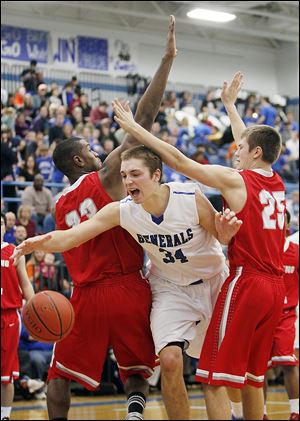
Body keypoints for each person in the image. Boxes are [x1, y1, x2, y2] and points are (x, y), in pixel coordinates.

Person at [13, 16, 177, 421]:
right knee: (136, 369)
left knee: (58, 376)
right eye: (89, 148)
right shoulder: (106, 177)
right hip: (125, 288)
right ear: (77, 160)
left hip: (83, 296)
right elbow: (145, 117)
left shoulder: (58, 205)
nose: (97, 151)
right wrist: (167, 60)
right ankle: (136, 414)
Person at [12, 145, 242, 420]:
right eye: (123, 176)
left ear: (156, 175)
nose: (128, 182)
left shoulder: (188, 195)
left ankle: (243, 412)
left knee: (224, 371)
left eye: (135, 174)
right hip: (169, 287)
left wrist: (225, 234)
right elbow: (73, 236)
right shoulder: (123, 210)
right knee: (169, 361)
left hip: (212, 280)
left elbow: (222, 236)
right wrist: (39, 241)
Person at [110, 71, 287, 420]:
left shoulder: (237, 179)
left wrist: (136, 130)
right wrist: (230, 106)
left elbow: (178, 162)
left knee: (212, 375)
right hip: (276, 288)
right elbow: (249, 141)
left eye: (240, 149)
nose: (234, 151)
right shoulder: (276, 180)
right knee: (252, 378)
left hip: (246, 281)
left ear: (254, 152)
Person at [263, 209, 299, 421]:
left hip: (286, 315)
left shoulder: (295, 251)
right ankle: (261, 412)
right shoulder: (261, 249)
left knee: (289, 363)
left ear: (286, 225)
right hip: (262, 315)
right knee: (257, 368)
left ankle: (296, 410)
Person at [1, 213, 35, 421]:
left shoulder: (15, 252)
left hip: (9, 317)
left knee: (6, 374)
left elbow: (25, 285)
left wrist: (34, 311)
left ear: (6, 228)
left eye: (1, 223)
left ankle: (5, 416)